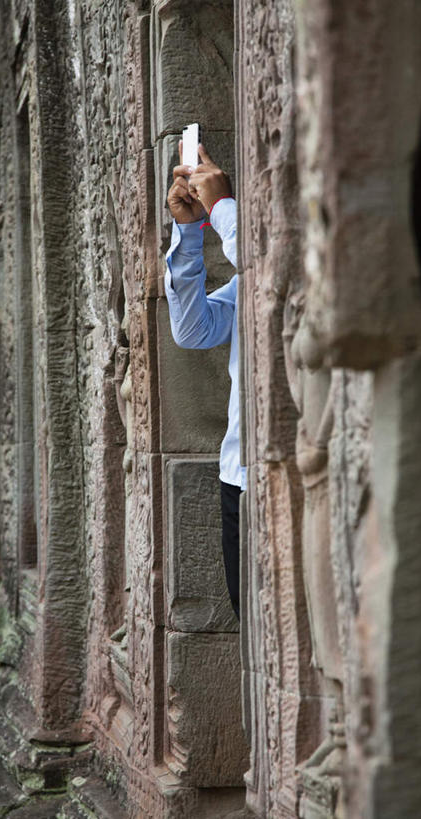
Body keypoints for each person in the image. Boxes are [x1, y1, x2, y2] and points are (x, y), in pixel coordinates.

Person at [165, 144, 244, 620]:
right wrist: (191, 231)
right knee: (253, 623)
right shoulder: (245, 283)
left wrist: (222, 209)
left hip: (293, 469)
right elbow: (193, 330)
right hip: (238, 477)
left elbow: (272, 266)